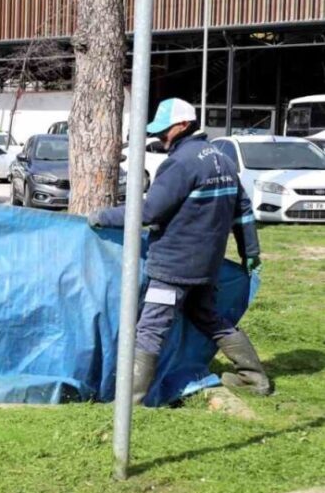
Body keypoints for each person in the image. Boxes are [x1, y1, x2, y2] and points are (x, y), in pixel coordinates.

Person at [89, 97, 271, 403]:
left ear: (184, 125)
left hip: (174, 268)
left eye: (164, 131)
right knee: (209, 317)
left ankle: (129, 403)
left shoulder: (180, 164)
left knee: (150, 328)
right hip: (207, 268)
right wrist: (250, 252)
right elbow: (243, 213)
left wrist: (100, 216)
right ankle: (254, 378)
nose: (160, 137)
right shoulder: (223, 159)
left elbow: (147, 213)